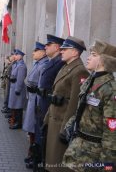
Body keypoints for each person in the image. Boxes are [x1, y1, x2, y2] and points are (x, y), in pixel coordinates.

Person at [62, 40, 116, 171]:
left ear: (104, 60)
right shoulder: (91, 80)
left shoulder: (110, 89)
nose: (88, 57)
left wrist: (107, 165)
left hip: (94, 153)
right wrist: (69, 125)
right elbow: (81, 109)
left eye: (93, 54)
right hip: (78, 146)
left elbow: (112, 132)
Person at [43, 36, 89, 172]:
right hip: (54, 120)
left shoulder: (80, 71)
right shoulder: (66, 67)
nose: (61, 51)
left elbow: (74, 104)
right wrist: (47, 118)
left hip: (61, 123)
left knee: (58, 164)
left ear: (75, 52)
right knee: (51, 161)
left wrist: (65, 129)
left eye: (65, 49)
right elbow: (55, 95)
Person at [33, 34, 65, 169]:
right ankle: (38, 160)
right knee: (40, 136)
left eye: (48, 44)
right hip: (42, 105)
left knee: (45, 137)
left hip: (49, 106)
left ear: (57, 47)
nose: (45, 46)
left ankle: (43, 163)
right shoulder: (53, 61)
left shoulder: (60, 63)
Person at [22, 42, 48, 168]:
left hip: (36, 100)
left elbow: (41, 85)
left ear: (43, 52)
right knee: (31, 129)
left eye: (36, 50)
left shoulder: (44, 65)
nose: (33, 53)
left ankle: (33, 154)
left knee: (34, 129)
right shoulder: (38, 64)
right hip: (32, 99)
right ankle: (31, 153)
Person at [7, 49, 27, 129]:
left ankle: (18, 123)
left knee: (18, 107)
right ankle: (15, 120)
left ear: (20, 56)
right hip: (14, 87)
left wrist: (18, 90)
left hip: (18, 89)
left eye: (16, 55)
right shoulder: (16, 64)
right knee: (14, 106)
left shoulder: (21, 66)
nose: (14, 56)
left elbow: (20, 79)